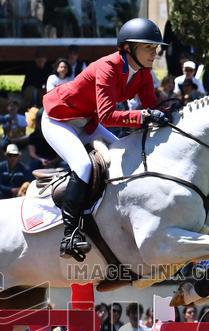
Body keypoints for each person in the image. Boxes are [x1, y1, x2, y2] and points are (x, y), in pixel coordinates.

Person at [41, 17, 169, 261]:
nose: (155, 53)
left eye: (155, 47)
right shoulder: (107, 67)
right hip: (58, 119)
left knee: (121, 151)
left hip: (87, 122)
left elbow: (151, 107)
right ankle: (70, 235)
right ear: (128, 48)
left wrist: (169, 113)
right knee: (83, 165)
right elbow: (109, 116)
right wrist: (144, 116)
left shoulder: (143, 73)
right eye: (149, 47)